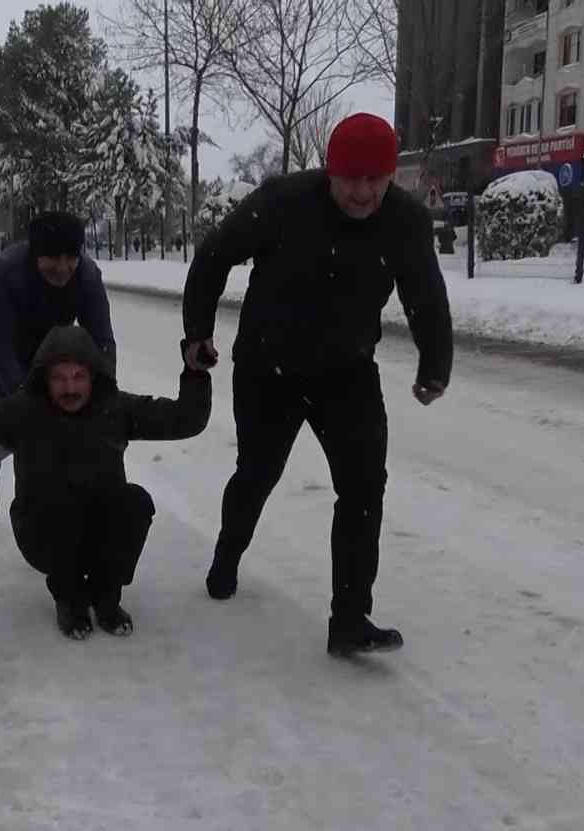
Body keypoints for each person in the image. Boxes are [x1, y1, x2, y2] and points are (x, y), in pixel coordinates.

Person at [180, 112, 453, 657]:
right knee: (257, 473)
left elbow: (425, 294)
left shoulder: (405, 221)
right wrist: (196, 334)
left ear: (390, 176)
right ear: (329, 171)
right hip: (267, 366)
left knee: (363, 487)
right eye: (349, 179)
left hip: (346, 370)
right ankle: (227, 555)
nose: (361, 192)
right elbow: (214, 255)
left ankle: (349, 618)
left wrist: (435, 364)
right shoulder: (282, 201)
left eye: (374, 180)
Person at [0, 325, 210, 639]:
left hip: (98, 526)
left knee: (134, 502)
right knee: (59, 500)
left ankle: (106, 596)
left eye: (78, 377)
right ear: (44, 379)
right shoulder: (23, 412)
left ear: (94, 378)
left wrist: (195, 372)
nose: (70, 388)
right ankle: (70, 598)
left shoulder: (114, 408)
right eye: (59, 378)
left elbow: (186, 420)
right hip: (43, 531)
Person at [0, 211, 116, 519]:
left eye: (70, 258)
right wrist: (26, 396)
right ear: (35, 255)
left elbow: (102, 340)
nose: (62, 268)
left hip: (49, 357)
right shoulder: (7, 271)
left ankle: (47, 509)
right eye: (52, 258)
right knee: (7, 437)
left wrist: (104, 390)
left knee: (56, 435)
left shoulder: (87, 275)